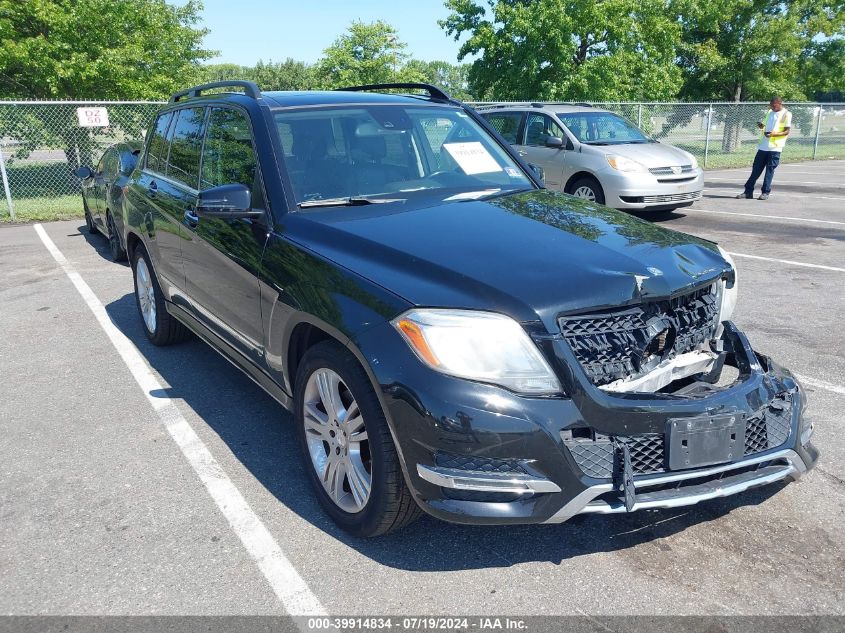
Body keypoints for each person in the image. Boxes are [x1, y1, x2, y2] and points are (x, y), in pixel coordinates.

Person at [736, 97, 792, 200]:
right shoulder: (770, 112)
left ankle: (765, 192)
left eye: (774, 105)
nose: (772, 107)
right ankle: (748, 192)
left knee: (769, 171)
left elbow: (787, 131)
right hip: (763, 146)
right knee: (755, 170)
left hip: (775, 148)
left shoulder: (786, 114)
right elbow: (764, 127)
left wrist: (774, 134)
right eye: (771, 105)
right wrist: (761, 126)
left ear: (780, 104)